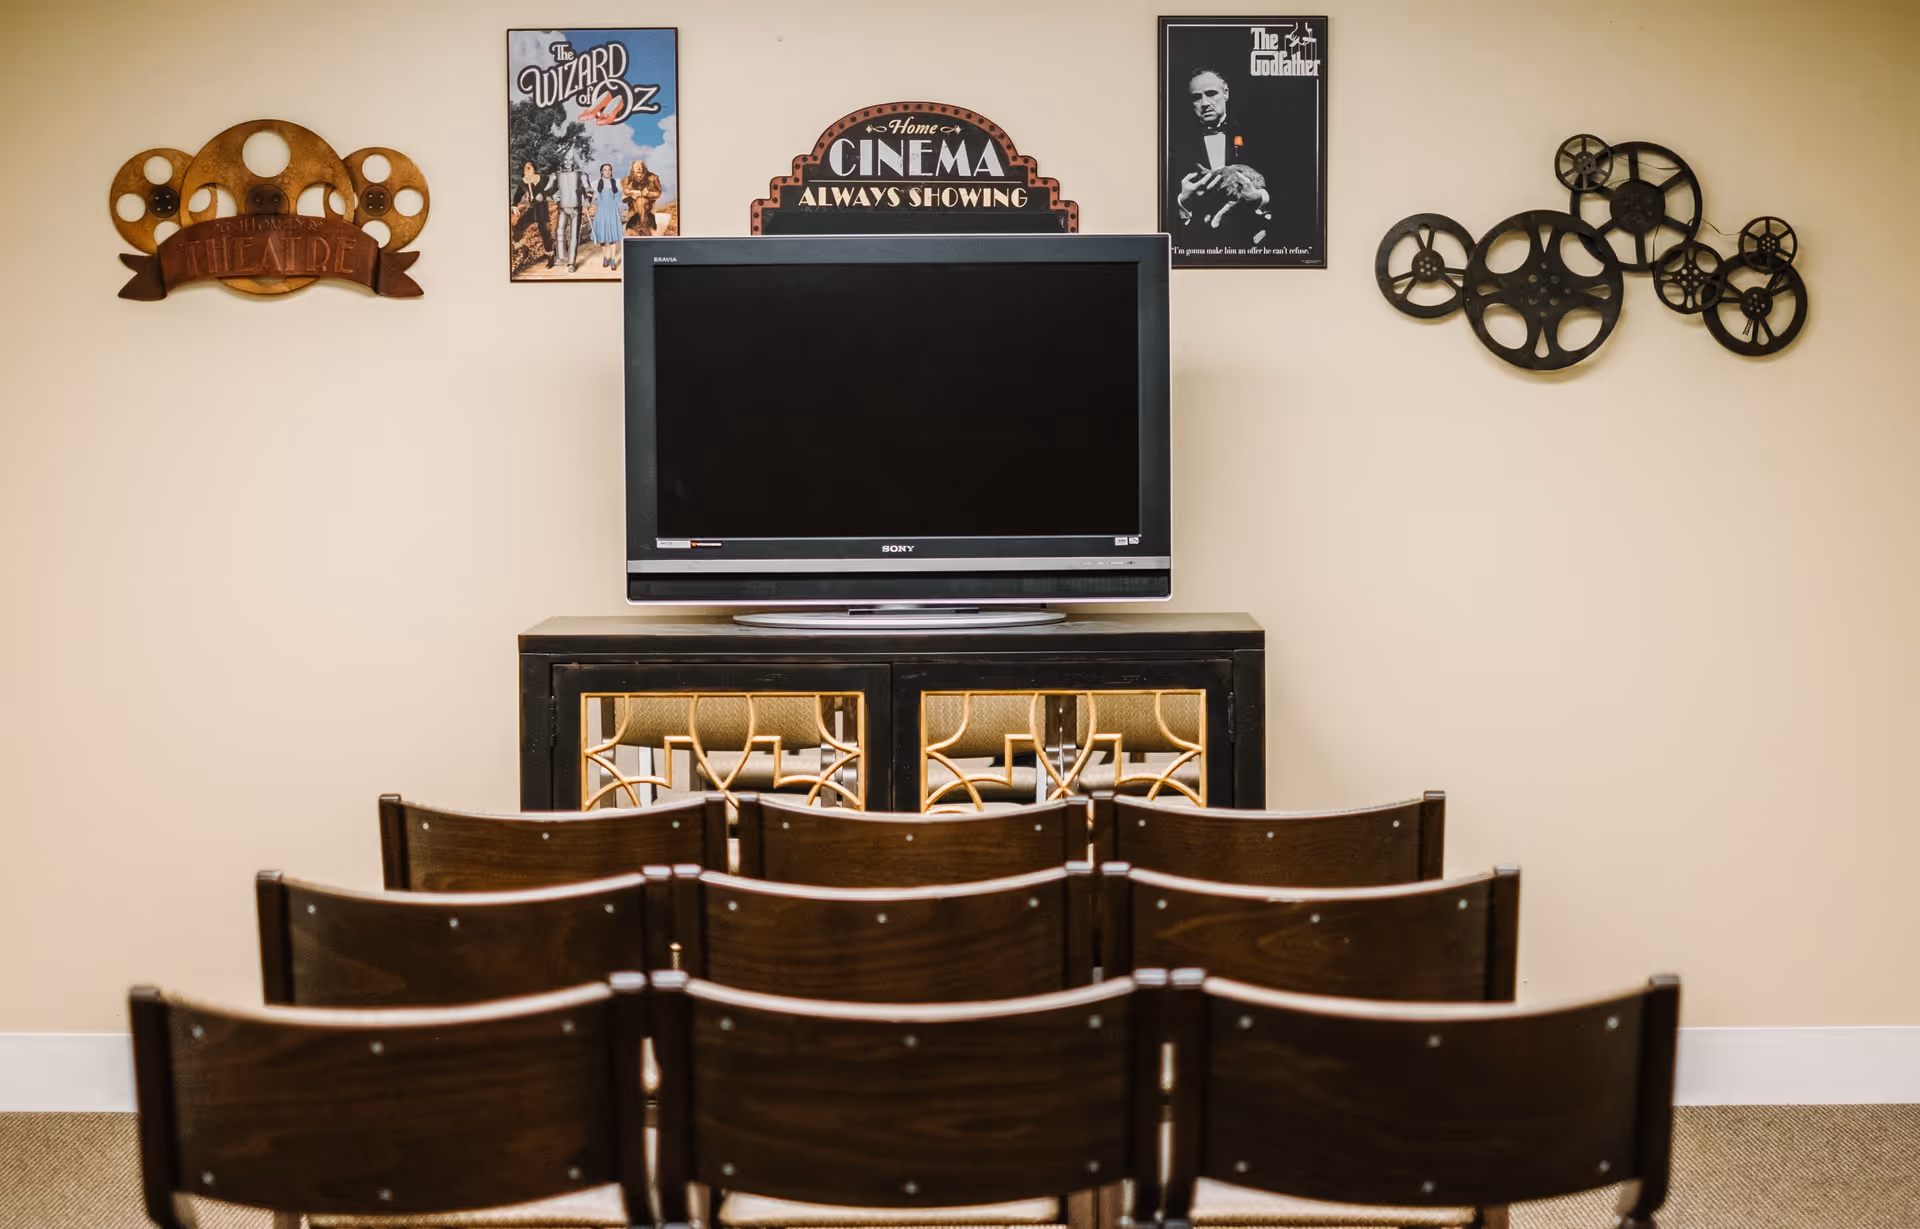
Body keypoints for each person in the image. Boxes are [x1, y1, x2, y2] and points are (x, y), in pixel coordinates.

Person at [1170, 67, 1272, 248]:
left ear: (1226, 93)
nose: (1204, 103)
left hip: (1251, 244)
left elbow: (1292, 192)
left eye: (1211, 94)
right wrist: (1182, 200)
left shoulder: (1258, 135)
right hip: (1196, 247)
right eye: (1196, 97)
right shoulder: (1174, 144)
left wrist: (1259, 197)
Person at [543, 152, 592, 271]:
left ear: (574, 161)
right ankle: (560, 256)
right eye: (566, 159)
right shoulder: (555, 175)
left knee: (574, 236)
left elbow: (588, 189)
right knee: (559, 232)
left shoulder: (581, 175)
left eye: (571, 160)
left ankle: (571, 263)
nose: (568, 162)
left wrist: (588, 199)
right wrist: (553, 195)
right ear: (563, 160)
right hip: (562, 208)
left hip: (576, 208)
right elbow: (546, 190)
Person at [509, 161, 551, 256]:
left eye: (530, 166)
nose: (528, 169)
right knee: (518, 225)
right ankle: (520, 246)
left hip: (542, 207)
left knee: (544, 229)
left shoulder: (542, 178)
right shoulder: (524, 181)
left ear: (534, 168)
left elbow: (552, 188)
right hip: (532, 207)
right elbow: (518, 194)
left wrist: (544, 195)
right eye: (525, 167)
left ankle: (549, 253)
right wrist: (514, 205)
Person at [590, 163, 625, 269]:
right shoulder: (596, 184)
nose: (607, 172)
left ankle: (613, 260)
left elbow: (624, 193)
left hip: (612, 211)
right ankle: (605, 258)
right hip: (601, 211)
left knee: (612, 237)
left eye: (609, 170)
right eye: (605, 170)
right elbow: (594, 198)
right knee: (603, 237)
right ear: (601, 172)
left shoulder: (616, 183)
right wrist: (588, 199)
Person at [622, 159, 663, 237]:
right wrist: (631, 194)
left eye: (641, 167)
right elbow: (624, 198)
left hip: (649, 217)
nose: (639, 169)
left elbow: (659, 193)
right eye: (636, 167)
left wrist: (648, 194)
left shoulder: (653, 177)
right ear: (632, 169)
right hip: (633, 217)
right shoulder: (627, 180)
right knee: (631, 244)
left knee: (650, 244)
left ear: (645, 168)